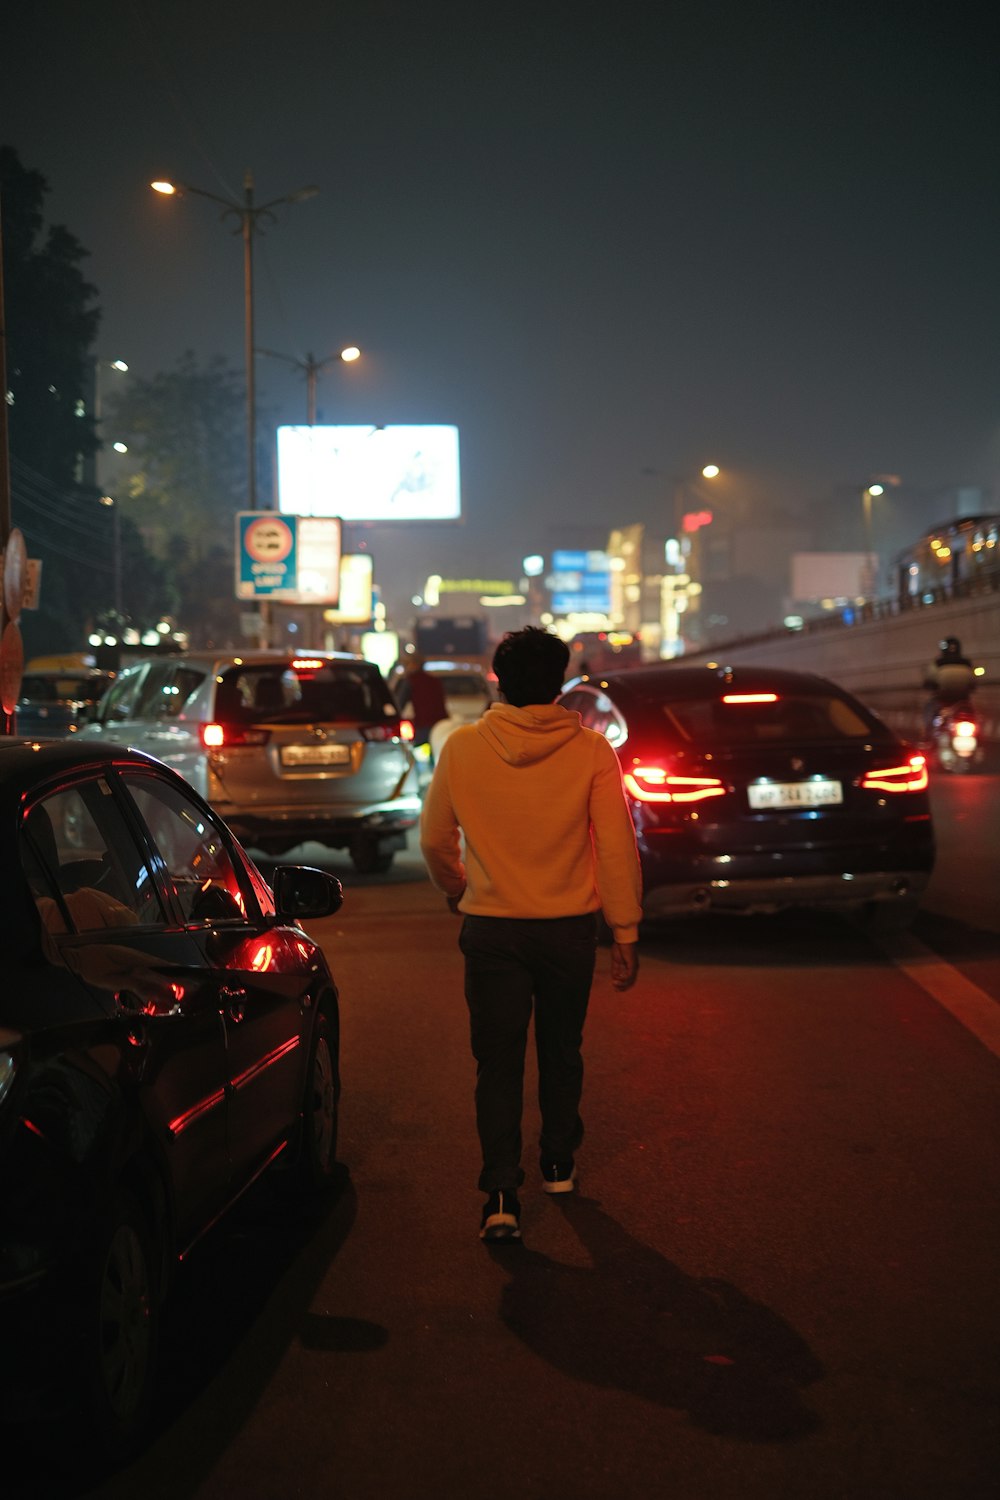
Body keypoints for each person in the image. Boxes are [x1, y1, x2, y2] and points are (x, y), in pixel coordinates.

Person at [420, 626, 642, 1243]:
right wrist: (624, 928)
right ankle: (557, 1162)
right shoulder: (593, 751)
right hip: (568, 929)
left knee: (497, 1061)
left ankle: (499, 1191)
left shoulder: (464, 748)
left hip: (492, 928)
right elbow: (617, 849)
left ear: (500, 680)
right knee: (561, 1048)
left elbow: (435, 840)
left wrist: (456, 885)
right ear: (560, 685)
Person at [396, 653, 450, 763]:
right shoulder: (434, 681)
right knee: (438, 757)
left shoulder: (411, 681)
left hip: (423, 725)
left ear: (413, 664)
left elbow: (399, 704)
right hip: (441, 724)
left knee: (419, 757)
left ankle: (423, 776)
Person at [922, 636, 976, 738]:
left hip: (942, 701)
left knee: (929, 711)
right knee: (974, 718)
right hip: (963, 702)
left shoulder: (937, 664)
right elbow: (973, 683)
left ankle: (927, 737)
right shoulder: (967, 664)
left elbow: (929, 680)